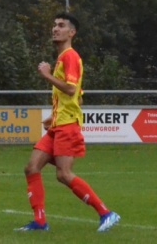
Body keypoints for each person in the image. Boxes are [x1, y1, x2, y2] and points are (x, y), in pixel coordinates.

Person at [15, 12, 120, 233]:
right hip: (58, 124)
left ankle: (106, 213)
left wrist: (46, 75)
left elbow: (71, 89)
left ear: (71, 32)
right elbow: (77, 96)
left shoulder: (70, 56)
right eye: (54, 25)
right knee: (31, 168)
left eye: (61, 25)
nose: (55, 28)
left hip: (67, 126)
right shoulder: (63, 58)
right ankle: (40, 222)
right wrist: (54, 116)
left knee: (63, 174)